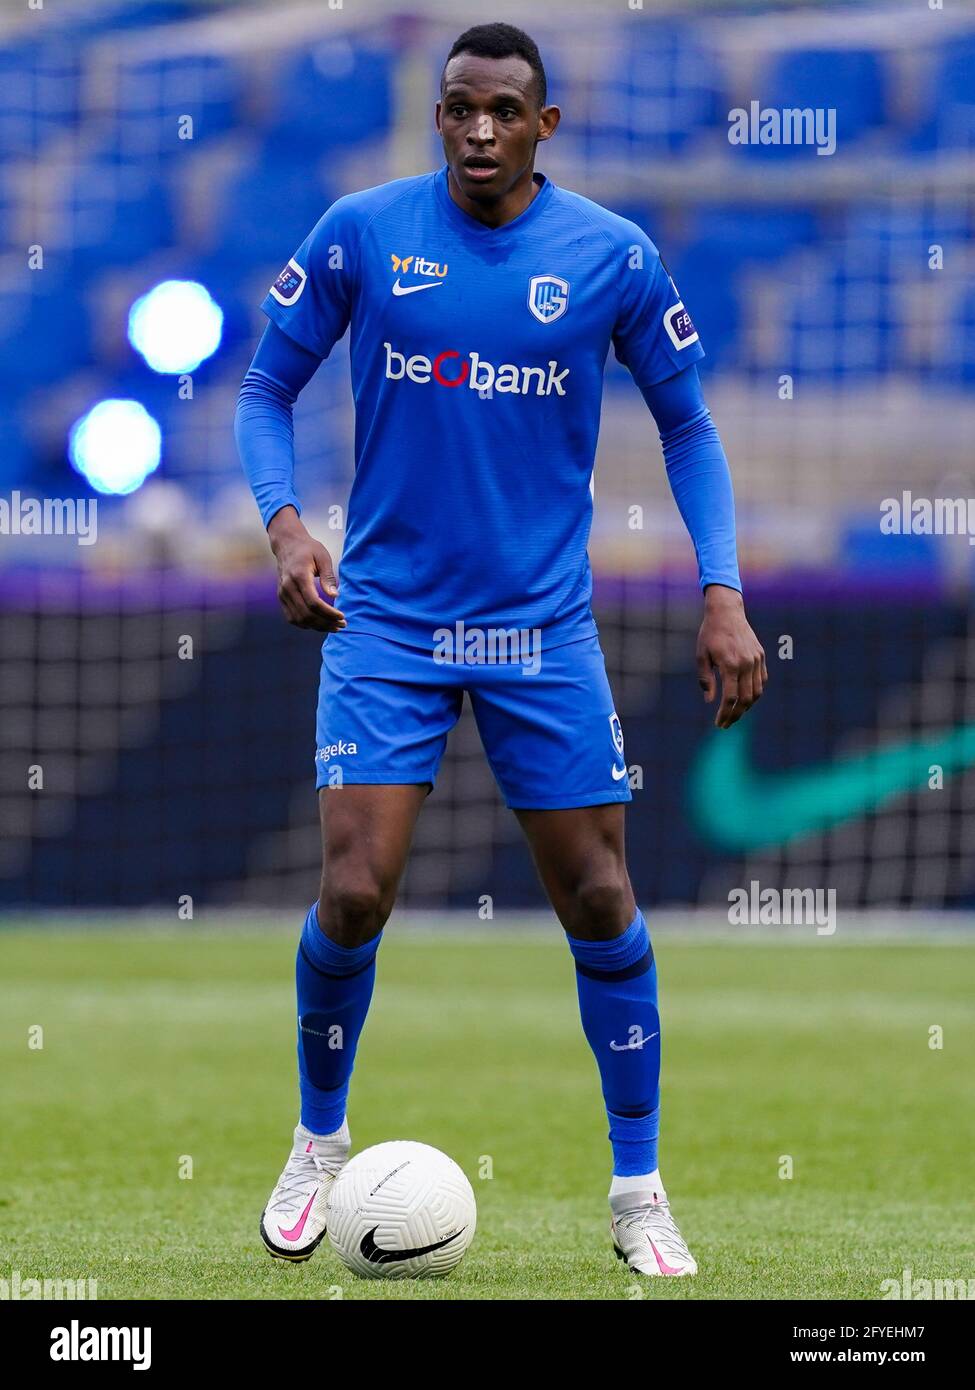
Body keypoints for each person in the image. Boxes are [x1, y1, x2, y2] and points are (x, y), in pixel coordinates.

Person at [235, 21, 766, 1278]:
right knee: (355, 889)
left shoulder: (611, 255)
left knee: (599, 897)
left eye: (504, 111)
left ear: (546, 124)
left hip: (541, 630)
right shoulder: (364, 229)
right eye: (458, 108)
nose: (479, 130)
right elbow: (266, 388)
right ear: (439, 116)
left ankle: (638, 1188)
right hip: (389, 622)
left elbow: (688, 426)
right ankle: (319, 1141)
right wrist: (284, 522)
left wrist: (724, 588)